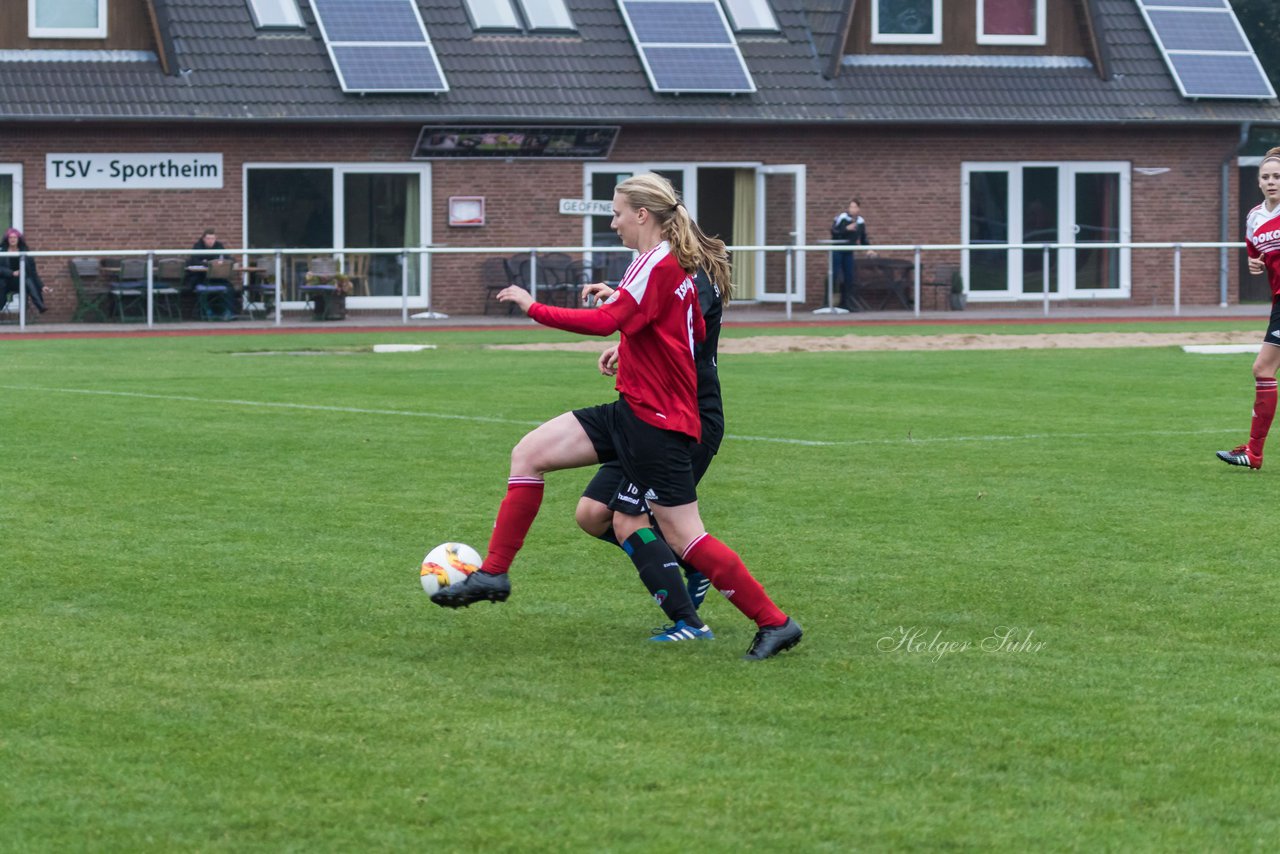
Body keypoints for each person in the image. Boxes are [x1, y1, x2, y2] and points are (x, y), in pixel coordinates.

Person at [431, 173, 802, 660]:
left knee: (683, 535)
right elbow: (658, 331)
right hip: (632, 410)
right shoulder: (652, 262)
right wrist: (629, 350)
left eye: (617, 212)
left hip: (659, 425)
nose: (613, 222)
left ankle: (775, 623)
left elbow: (614, 323)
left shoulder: (663, 264)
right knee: (529, 454)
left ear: (642, 215)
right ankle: (495, 572)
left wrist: (533, 306)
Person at [575, 268, 723, 639]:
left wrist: (626, 340)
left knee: (629, 521)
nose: (615, 223)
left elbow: (680, 338)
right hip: (643, 419)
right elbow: (654, 315)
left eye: (620, 213)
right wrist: (619, 302)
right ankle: (690, 563)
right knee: (592, 515)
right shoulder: (666, 272)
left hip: (682, 421)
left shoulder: (695, 280)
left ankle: (689, 622)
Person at [1218, 147, 1280, 469]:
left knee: (1263, 369)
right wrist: (1254, 263)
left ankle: (1254, 453)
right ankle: (1253, 452)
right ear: (1258, 182)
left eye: (1278, 176)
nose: (1272, 182)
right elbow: (1255, 253)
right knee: (1264, 371)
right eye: (1266, 177)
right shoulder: (1255, 217)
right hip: (1278, 300)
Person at [830, 198, 871, 311]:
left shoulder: (860, 221)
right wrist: (846, 229)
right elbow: (834, 231)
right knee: (835, 275)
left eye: (855, 207)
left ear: (859, 209)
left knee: (849, 277)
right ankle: (830, 303)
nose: (853, 209)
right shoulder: (842, 217)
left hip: (849, 251)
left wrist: (868, 249)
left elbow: (863, 238)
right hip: (838, 250)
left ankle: (845, 303)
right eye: (851, 207)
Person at [183, 228, 233, 320]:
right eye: (208, 238)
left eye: (212, 238)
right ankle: (207, 312)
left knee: (229, 287)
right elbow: (194, 261)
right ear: (203, 239)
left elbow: (228, 259)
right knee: (200, 289)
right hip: (201, 277)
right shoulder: (198, 247)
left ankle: (228, 312)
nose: (210, 241)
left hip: (217, 277)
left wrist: (214, 262)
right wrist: (209, 263)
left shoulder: (219, 246)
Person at [0, 228, 51, 314]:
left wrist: (42, 286)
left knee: (27, 279)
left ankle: (36, 308)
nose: (12, 239)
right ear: (7, 239)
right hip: (5, 282)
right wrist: (12, 273)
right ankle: (40, 305)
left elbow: (33, 272)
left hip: (21, 282)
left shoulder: (25, 253)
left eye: (15, 237)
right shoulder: (2, 252)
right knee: (26, 280)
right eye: (10, 237)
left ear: (18, 239)